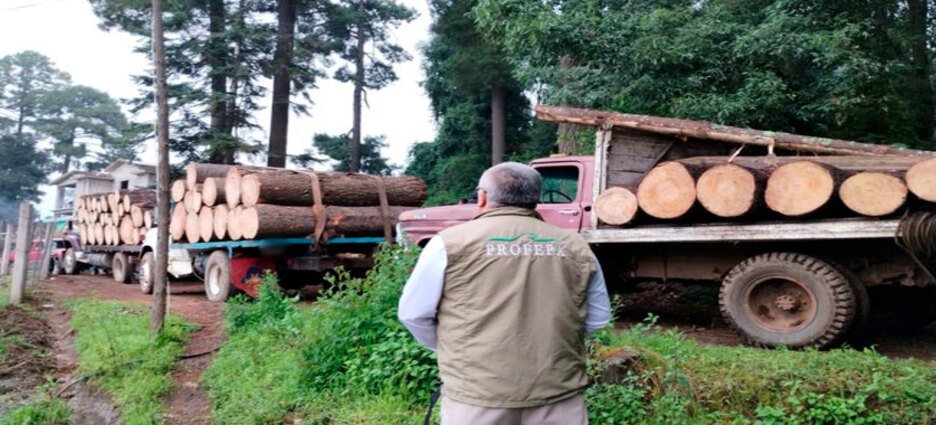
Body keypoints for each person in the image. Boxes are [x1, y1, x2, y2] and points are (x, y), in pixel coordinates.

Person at [399, 162, 612, 425]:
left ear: (482, 197)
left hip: (477, 394)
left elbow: (413, 314)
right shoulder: (576, 245)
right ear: (535, 198)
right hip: (558, 391)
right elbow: (599, 318)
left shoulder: (448, 243)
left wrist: (454, 348)